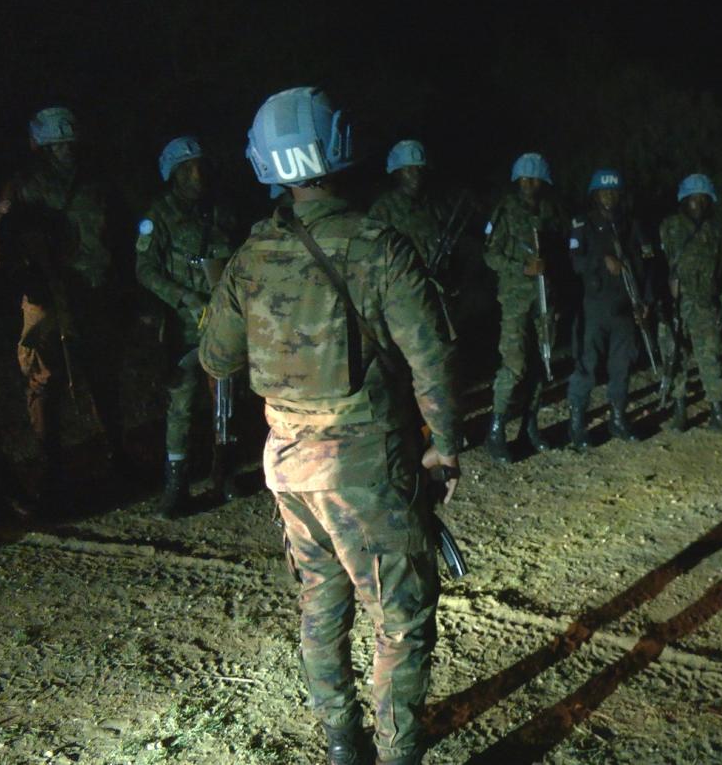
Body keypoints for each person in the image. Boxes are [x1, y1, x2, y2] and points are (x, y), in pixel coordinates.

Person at [200, 87, 459, 765]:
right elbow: (431, 355)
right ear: (341, 149)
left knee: (321, 603)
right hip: (364, 468)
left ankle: (344, 743)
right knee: (400, 617)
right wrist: (444, 448)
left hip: (287, 462)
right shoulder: (379, 245)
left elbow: (216, 355)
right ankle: (397, 751)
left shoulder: (250, 254)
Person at [0, 106, 122, 511]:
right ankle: (53, 468)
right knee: (43, 379)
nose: (65, 150)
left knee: (101, 371)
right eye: (56, 144)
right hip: (44, 296)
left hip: (92, 290)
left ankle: (116, 453)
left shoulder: (95, 182)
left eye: (68, 143)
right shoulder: (21, 187)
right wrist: (27, 277)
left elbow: (114, 231)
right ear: (41, 147)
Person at [135, 136, 237, 517]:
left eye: (201, 166)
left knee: (226, 399)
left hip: (221, 318)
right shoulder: (158, 216)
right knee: (181, 402)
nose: (198, 174)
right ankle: (176, 482)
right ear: (174, 174)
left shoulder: (221, 211)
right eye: (189, 168)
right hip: (182, 324)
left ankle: (223, 471)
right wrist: (183, 297)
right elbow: (144, 269)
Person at [482, 152, 561, 462]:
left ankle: (529, 426)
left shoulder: (551, 212)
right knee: (514, 366)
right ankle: (496, 429)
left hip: (545, 299)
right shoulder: (505, 210)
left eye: (535, 179)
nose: (530, 184)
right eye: (525, 179)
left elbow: (560, 253)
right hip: (515, 300)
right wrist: (521, 267)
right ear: (517, 180)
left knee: (543, 362)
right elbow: (490, 255)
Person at [567, 168, 653, 450]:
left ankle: (618, 419)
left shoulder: (631, 225)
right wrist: (601, 259)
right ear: (594, 195)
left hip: (626, 307)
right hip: (593, 307)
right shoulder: (583, 224)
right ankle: (577, 426)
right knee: (586, 366)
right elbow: (574, 262)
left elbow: (646, 265)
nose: (609, 196)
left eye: (614, 191)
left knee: (623, 365)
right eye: (604, 192)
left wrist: (646, 302)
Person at [657, 173, 722, 434]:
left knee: (710, 359)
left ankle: (717, 413)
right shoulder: (669, 226)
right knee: (674, 358)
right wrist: (660, 299)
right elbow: (656, 264)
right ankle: (679, 410)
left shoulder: (716, 232)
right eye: (693, 198)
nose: (698, 203)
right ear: (684, 200)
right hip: (676, 303)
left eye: (703, 199)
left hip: (705, 304)